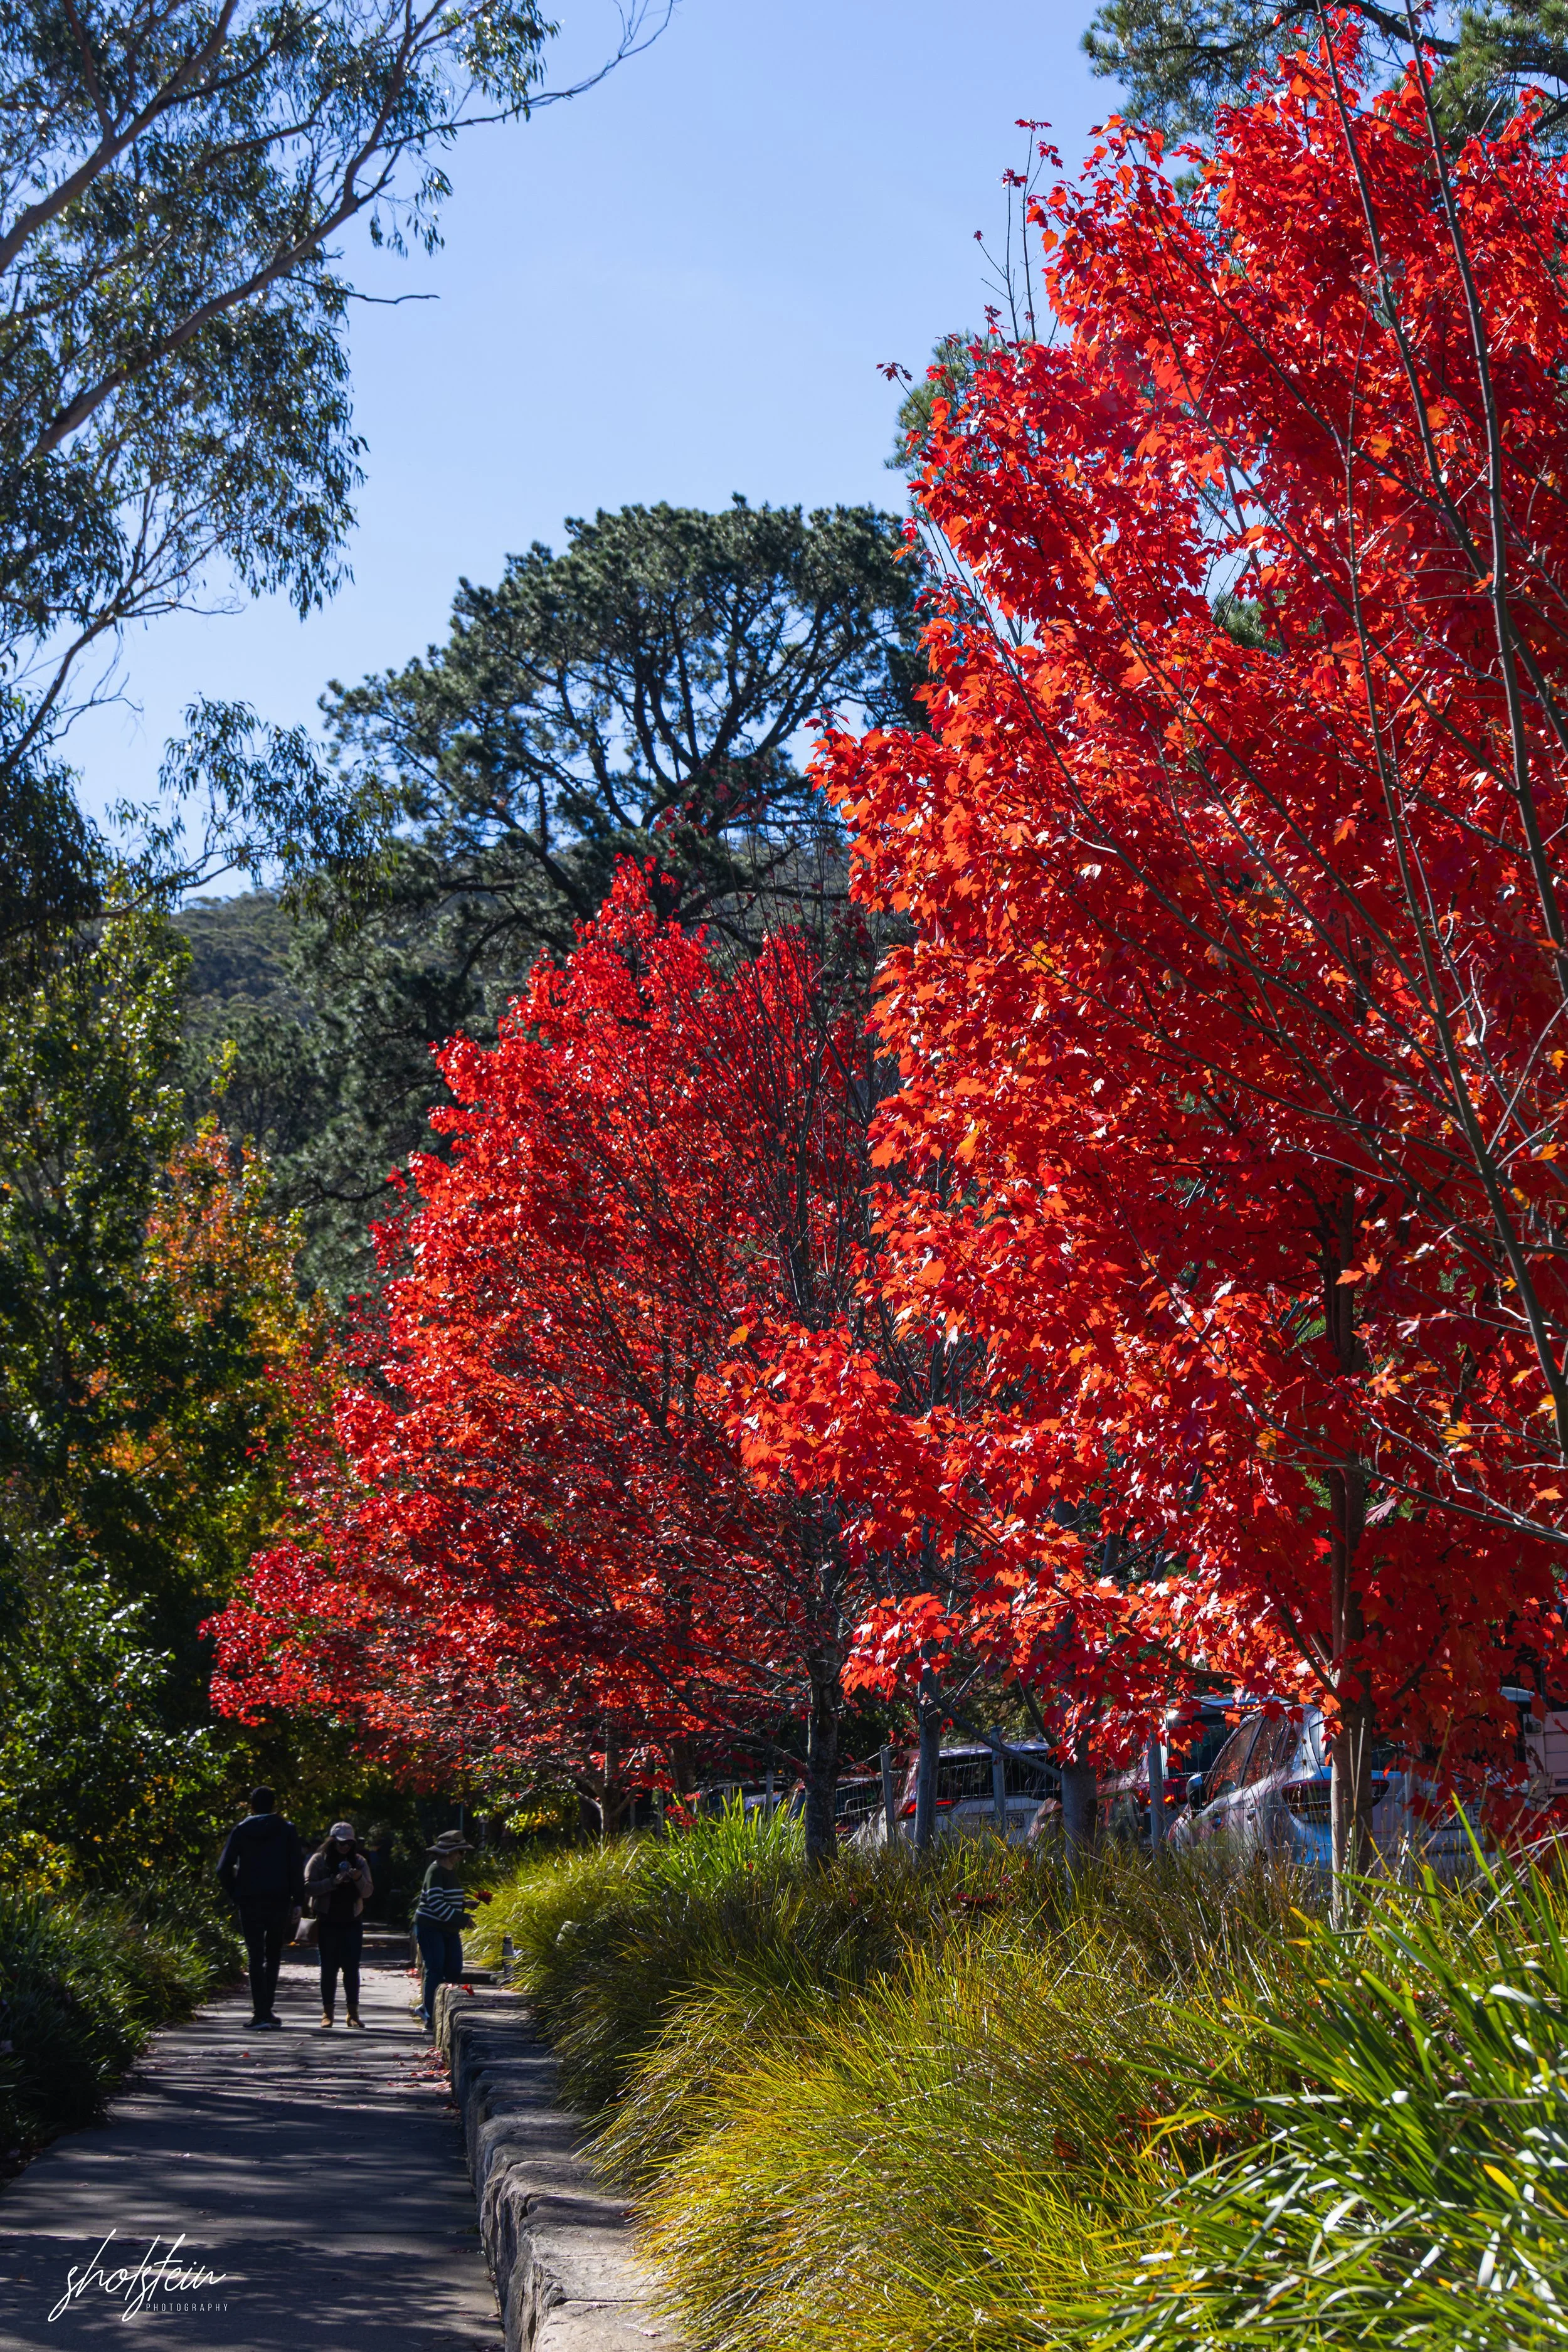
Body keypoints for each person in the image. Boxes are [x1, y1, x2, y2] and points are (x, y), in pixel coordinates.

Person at [216, 1787, 305, 2029]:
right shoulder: (287, 1830)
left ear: (252, 1806)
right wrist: (299, 1899)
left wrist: (236, 1892)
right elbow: (295, 1867)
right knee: (274, 1954)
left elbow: (223, 1868)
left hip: (250, 1900)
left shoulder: (242, 1830)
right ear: (274, 1804)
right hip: (279, 1899)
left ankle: (260, 2012)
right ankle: (267, 2009)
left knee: (255, 1955)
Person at [304, 1821, 373, 2029]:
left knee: (351, 1969)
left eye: (349, 1844)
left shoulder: (359, 1862)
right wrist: (332, 1882)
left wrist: (358, 1878)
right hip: (327, 1921)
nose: (345, 1848)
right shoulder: (319, 1861)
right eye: (341, 1843)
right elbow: (307, 1887)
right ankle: (328, 2013)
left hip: (352, 1921)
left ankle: (353, 2013)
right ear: (332, 1842)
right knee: (328, 1969)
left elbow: (369, 1891)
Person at [413, 1830, 479, 2030]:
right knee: (435, 1968)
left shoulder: (450, 1871)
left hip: (448, 1928)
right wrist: (462, 1918)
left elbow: (448, 1897)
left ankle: (431, 2004)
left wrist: (464, 1904)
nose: (462, 1856)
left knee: (454, 1968)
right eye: (460, 1852)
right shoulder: (435, 1871)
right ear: (450, 1852)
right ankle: (429, 2013)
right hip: (431, 1926)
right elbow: (435, 1903)